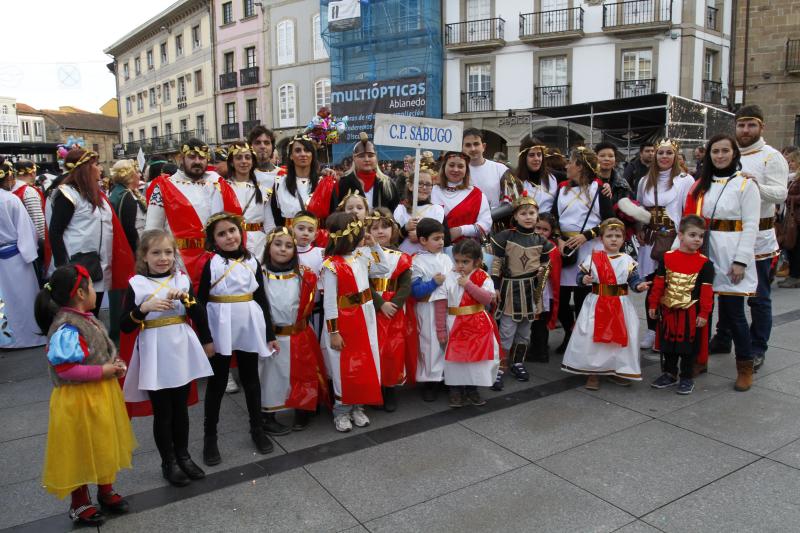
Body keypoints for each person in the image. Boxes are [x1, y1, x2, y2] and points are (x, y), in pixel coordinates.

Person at [34, 265, 135, 526]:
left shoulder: (86, 318)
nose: (94, 291)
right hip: (78, 400)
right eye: (91, 286)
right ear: (80, 293)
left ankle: (105, 490)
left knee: (102, 440)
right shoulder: (67, 328)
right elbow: (66, 368)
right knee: (79, 448)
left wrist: (113, 362)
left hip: (99, 395)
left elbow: (95, 351)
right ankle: (79, 503)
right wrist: (104, 369)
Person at [118, 230, 214, 486]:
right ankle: (168, 462)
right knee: (163, 412)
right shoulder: (137, 284)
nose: (163, 258)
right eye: (156, 253)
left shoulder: (181, 280)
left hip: (180, 348)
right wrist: (143, 309)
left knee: (181, 408)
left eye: (168, 252)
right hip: (155, 351)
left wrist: (190, 304)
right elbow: (124, 325)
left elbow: (199, 314)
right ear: (144, 256)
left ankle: (183, 455)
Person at [709, 106, 789, 372]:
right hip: (728, 239)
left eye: (751, 125)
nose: (745, 131)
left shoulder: (771, 157)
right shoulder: (728, 152)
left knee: (759, 297)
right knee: (725, 291)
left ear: (761, 127)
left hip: (761, 239)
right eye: (741, 125)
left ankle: (757, 348)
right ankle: (723, 337)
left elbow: (780, 194)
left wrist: (756, 185)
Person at [198, 212, 279, 462]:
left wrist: (268, 333)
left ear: (240, 232)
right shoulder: (211, 263)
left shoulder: (252, 260)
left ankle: (257, 428)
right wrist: (206, 337)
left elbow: (261, 298)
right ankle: (210, 438)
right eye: (221, 234)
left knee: (251, 379)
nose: (229, 237)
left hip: (248, 324)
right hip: (220, 325)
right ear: (213, 240)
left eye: (232, 230)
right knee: (218, 382)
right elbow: (200, 300)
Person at [684, 134, 760, 391]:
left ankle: (745, 366)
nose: (719, 156)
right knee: (700, 310)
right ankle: (699, 359)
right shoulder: (703, 184)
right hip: (705, 252)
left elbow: (751, 226)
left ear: (734, 154)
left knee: (734, 313)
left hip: (732, 253)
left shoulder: (745, 184)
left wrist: (741, 261)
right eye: (714, 151)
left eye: (724, 151)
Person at [321, 212, 390, 432]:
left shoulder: (361, 255)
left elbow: (383, 269)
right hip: (344, 322)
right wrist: (334, 332)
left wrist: (374, 247)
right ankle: (341, 411)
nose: (364, 235)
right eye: (360, 232)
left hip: (365, 317)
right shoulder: (331, 265)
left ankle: (358, 406)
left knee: (365, 362)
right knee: (344, 368)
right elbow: (330, 302)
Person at [561, 218, 649, 389]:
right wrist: (584, 279)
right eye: (609, 235)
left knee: (619, 340)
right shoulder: (593, 258)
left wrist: (639, 286)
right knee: (593, 338)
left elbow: (634, 280)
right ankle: (593, 372)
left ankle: (617, 369)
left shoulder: (627, 260)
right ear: (602, 239)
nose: (614, 239)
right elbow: (580, 278)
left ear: (623, 239)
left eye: (618, 236)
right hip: (596, 303)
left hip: (620, 305)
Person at [145, 138, 240, 290]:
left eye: (202, 157)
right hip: (178, 261)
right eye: (192, 157)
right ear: (181, 158)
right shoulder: (163, 187)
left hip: (214, 259)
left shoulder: (217, 183)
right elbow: (152, 231)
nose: (197, 161)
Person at [48, 149, 135, 316]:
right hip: (78, 267)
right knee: (77, 315)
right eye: (95, 164)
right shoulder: (68, 195)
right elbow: (55, 232)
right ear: (85, 168)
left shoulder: (96, 194)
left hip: (100, 267)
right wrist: (63, 269)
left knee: (92, 314)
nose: (100, 168)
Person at [259, 227, 329, 433]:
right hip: (273, 336)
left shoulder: (303, 275)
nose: (283, 249)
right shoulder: (260, 274)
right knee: (271, 377)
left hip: (299, 332)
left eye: (289, 246)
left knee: (302, 373)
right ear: (268, 247)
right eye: (278, 244)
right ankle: (268, 414)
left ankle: (303, 409)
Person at [551, 147, 614, 353]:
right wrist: (559, 238)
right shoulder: (562, 188)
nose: (567, 166)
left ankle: (581, 338)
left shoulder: (599, 189)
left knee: (582, 297)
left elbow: (608, 222)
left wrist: (585, 236)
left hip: (589, 250)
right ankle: (570, 332)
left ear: (579, 166)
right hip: (565, 250)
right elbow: (554, 218)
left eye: (570, 162)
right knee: (559, 298)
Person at [490, 194, 554, 390]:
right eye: (523, 213)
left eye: (532, 213)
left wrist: (544, 271)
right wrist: (494, 286)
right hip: (510, 289)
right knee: (507, 331)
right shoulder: (505, 237)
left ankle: (518, 362)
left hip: (531, 290)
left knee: (525, 333)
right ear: (515, 217)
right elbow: (496, 264)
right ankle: (500, 367)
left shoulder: (542, 241)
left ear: (537, 216)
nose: (528, 217)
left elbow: (546, 263)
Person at [635, 139, 696, 351]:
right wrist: (639, 229)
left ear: (675, 155)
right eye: (660, 152)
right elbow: (640, 209)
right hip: (650, 241)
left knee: (670, 287)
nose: (664, 156)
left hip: (673, 239)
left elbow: (687, 211)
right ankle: (652, 330)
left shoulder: (685, 179)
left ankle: (667, 330)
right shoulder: (644, 181)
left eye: (668, 153)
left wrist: (683, 240)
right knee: (652, 286)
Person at [648, 215, 715, 394]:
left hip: (691, 313)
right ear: (680, 235)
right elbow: (659, 284)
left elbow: (707, 293)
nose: (697, 239)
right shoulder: (667, 258)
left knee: (688, 348)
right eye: (692, 235)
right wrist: (653, 304)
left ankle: (686, 377)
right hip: (668, 311)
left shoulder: (706, 264)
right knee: (667, 345)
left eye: (701, 236)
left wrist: (704, 314)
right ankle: (669, 373)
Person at [368, 208, 416, 412]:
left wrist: (393, 304)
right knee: (373, 349)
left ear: (393, 229)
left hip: (395, 310)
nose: (380, 232)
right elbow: (363, 283)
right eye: (375, 228)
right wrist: (380, 304)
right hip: (371, 308)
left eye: (385, 227)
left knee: (392, 350)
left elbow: (405, 285)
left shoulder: (402, 256)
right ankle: (375, 389)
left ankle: (390, 390)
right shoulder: (363, 255)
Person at [443, 239, 500, 407]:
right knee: (455, 359)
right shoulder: (449, 276)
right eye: (457, 261)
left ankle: (471, 388)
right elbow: (441, 302)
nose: (460, 265)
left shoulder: (483, 276)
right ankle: (455, 389)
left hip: (477, 323)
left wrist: (468, 284)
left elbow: (487, 298)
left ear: (477, 261)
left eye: (465, 262)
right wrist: (440, 328)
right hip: (454, 323)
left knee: (475, 360)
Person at [0, 179, 46, 348]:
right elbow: (25, 228)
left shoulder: (10, 199)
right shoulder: (11, 199)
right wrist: (30, 253)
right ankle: (30, 336)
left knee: (4, 300)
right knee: (24, 298)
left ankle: (6, 339)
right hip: (17, 256)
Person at [410, 218, 453, 401]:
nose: (441, 242)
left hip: (447, 308)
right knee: (430, 343)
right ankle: (430, 381)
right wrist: (433, 283)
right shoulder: (417, 261)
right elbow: (416, 291)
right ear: (423, 240)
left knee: (446, 342)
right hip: (427, 309)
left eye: (442, 238)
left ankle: (445, 377)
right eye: (436, 238)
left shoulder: (445, 258)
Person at [327, 132, 400, 216]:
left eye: (370, 155)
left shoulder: (387, 183)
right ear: (354, 158)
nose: (366, 159)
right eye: (361, 156)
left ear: (376, 158)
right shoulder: (344, 182)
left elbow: (395, 213)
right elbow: (337, 212)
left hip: (378, 228)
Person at [431, 151, 492, 247]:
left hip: (465, 252)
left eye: (460, 166)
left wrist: (461, 230)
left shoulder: (477, 195)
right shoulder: (432, 191)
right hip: (433, 251)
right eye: (451, 165)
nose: (455, 169)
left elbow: (486, 225)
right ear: (444, 167)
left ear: (466, 170)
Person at [226, 142, 270, 259]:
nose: (244, 161)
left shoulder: (263, 190)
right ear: (231, 162)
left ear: (252, 161)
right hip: (232, 241)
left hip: (258, 244)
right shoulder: (223, 188)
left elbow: (269, 223)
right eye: (238, 158)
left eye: (247, 157)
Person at [528, 212, 561, 362]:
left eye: (545, 229)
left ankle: (540, 352)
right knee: (535, 322)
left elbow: (553, 273)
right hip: (532, 289)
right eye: (538, 228)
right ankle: (538, 347)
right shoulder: (529, 242)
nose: (541, 232)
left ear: (551, 232)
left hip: (543, 291)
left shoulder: (551, 248)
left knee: (540, 322)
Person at [462, 128, 520, 210]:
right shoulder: (457, 172)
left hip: (496, 220)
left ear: (483, 146)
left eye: (476, 144)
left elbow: (514, 202)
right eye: (468, 145)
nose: (473, 149)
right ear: (462, 148)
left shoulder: (501, 170)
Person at [393, 166, 447, 255]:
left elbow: (447, 240)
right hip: (405, 259)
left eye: (428, 184)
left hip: (429, 260)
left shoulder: (437, 210)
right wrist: (405, 229)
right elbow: (393, 240)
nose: (424, 187)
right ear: (410, 186)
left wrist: (419, 236)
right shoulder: (401, 210)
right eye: (420, 183)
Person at [271, 135, 320, 227]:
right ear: (291, 156)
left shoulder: (323, 183)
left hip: (316, 238)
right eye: (298, 150)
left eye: (307, 150)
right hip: (290, 238)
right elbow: (276, 217)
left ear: (312, 155)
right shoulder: (280, 183)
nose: (303, 154)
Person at [108, 159, 147, 253]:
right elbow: (130, 230)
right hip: (134, 250)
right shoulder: (126, 196)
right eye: (137, 172)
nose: (140, 175)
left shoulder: (122, 192)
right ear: (129, 176)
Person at [248, 125, 280, 233]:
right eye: (257, 142)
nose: (262, 146)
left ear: (272, 147)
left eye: (267, 143)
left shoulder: (283, 175)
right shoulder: (243, 176)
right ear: (250, 146)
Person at [516, 139, 558, 213]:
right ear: (524, 158)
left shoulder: (551, 179)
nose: (536, 159)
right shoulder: (516, 180)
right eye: (532, 155)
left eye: (539, 154)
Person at [778, 150, 800, 287]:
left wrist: (788, 197)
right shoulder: (792, 178)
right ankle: (793, 273)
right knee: (792, 246)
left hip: (797, 218)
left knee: (795, 247)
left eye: (792, 161)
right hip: (792, 216)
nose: (790, 164)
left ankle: (795, 276)